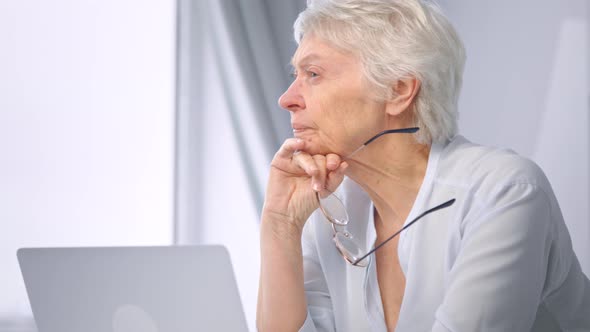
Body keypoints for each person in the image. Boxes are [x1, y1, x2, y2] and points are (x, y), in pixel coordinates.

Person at [256, 0, 590, 331]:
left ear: (398, 90)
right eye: (294, 75)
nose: (286, 99)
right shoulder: (329, 206)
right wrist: (280, 223)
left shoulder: (504, 192)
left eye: (313, 74)